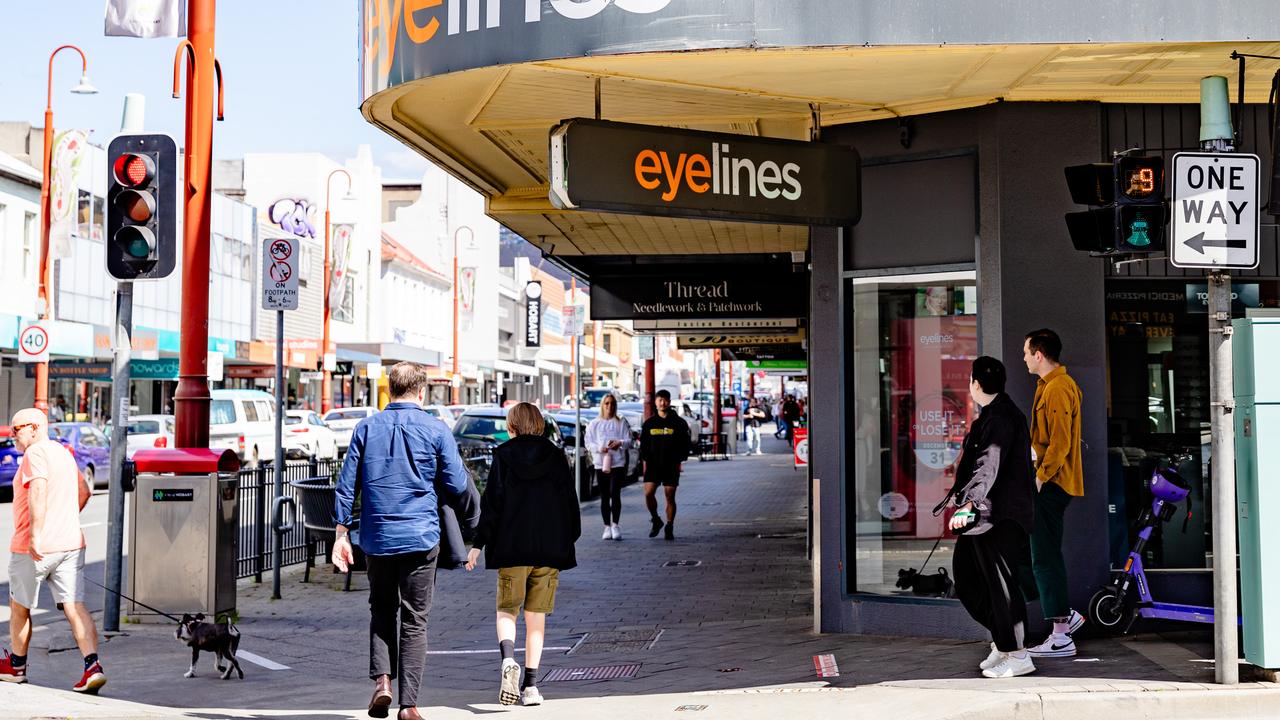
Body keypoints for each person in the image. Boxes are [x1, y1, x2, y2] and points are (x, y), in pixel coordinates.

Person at [333, 362, 476, 720]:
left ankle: (383, 682)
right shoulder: (436, 429)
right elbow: (458, 486)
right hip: (421, 537)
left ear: (389, 390)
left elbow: (347, 483)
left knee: (381, 610)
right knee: (415, 620)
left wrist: (341, 532)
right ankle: (409, 705)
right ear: (422, 392)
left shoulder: (366, 428)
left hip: (377, 538)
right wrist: (476, 530)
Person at [465, 402, 580, 707]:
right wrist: (570, 536)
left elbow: (492, 503)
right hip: (547, 549)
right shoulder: (556, 456)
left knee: (507, 611)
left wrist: (478, 544)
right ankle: (531, 687)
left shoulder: (503, 456)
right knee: (536, 619)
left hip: (511, 548)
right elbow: (569, 501)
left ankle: (507, 660)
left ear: (512, 426)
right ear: (540, 424)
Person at [0, 408, 104, 693]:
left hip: (34, 547)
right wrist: (66, 519)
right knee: (74, 604)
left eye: (17, 429)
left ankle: (17, 666)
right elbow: (84, 491)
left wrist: (35, 535)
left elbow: (38, 491)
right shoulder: (62, 452)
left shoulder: (34, 454)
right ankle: (92, 666)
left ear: (34, 427)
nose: (13, 435)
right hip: (70, 543)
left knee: (20, 606)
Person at [947, 358, 1037, 679]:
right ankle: (1003, 639)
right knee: (969, 578)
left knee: (1001, 585)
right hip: (986, 517)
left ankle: (1018, 653)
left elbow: (989, 464)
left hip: (997, 517)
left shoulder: (1001, 417)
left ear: (975, 384)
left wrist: (969, 504)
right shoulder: (995, 414)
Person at [1021, 328, 1086, 658]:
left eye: (1026, 352)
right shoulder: (1050, 386)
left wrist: (1041, 477)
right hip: (1050, 481)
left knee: (1045, 557)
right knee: (1039, 555)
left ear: (1039, 354)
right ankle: (1064, 618)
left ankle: (1061, 633)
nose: (1024, 358)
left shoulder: (1058, 388)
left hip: (1052, 483)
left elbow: (1059, 442)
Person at [640, 390, 691, 541]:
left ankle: (669, 525)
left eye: (665, 400)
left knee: (670, 496)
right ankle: (656, 519)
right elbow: (643, 443)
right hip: (654, 465)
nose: (663, 403)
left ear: (670, 401)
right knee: (648, 493)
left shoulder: (679, 422)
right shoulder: (649, 423)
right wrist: (646, 457)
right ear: (655, 402)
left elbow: (686, 442)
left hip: (671, 465)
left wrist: (680, 458)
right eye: (660, 400)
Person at [584, 394, 632, 541]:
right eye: (606, 403)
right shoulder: (594, 424)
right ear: (602, 405)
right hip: (601, 463)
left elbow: (629, 441)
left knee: (614, 492)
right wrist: (599, 448)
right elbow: (588, 443)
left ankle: (615, 524)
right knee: (604, 495)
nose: (609, 406)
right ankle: (606, 526)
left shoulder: (621, 422)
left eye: (612, 403)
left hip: (617, 462)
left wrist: (620, 442)